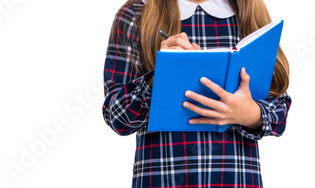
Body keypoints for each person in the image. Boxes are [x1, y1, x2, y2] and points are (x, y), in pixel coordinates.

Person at [102, 0, 292, 187]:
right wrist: (161, 75)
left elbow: (279, 106)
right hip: (161, 178)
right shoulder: (135, 15)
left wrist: (251, 115)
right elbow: (118, 118)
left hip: (236, 180)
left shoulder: (248, 13)